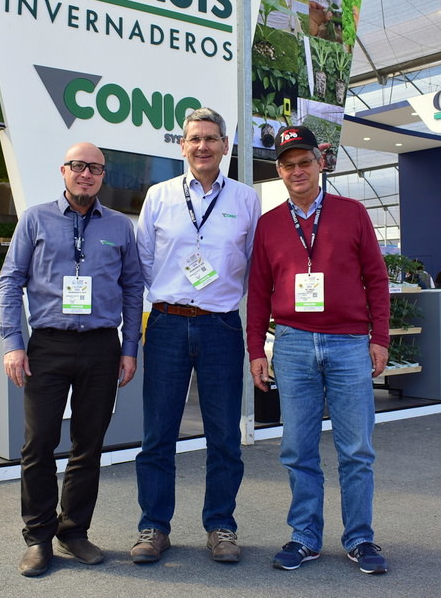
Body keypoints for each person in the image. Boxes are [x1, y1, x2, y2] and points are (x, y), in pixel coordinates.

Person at [247, 125, 390, 575]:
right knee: (297, 447)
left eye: (304, 162)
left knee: (356, 448)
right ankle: (305, 536)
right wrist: (256, 349)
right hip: (292, 344)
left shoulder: (353, 213)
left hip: (349, 343)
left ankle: (360, 537)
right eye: (288, 165)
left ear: (320, 163)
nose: (297, 171)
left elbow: (376, 279)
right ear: (279, 171)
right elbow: (258, 291)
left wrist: (380, 338)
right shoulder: (269, 224)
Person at [0, 142, 144, 578]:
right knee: (38, 443)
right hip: (47, 345)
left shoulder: (119, 226)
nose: (86, 174)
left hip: (101, 346)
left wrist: (129, 348)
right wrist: (13, 342)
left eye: (95, 168)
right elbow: (10, 280)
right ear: (63, 170)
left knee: (88, 444)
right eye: (78, 166)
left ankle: (74, 530)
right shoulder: (35, 219)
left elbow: (133, 287)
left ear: (103, 176)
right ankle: (38, 537)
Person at [132, 107, 261, 564]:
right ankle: (154, 526)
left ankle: (221, 526)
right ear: (183, 146)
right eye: (194, 139)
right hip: (166, 323)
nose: (202, 146)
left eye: (211, 138)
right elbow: (142, 261)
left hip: (220, 325)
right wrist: (164, 302)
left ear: (225, 145)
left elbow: (254, 266)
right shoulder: (159, 195)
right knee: (158, 433)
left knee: (224, 434)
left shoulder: (246, 199)